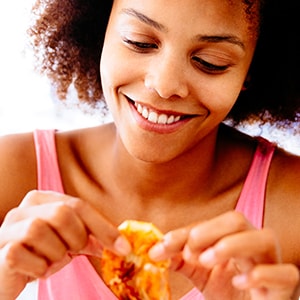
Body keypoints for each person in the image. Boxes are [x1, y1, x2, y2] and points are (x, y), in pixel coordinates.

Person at [0, 0, 299, 299]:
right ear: (101, 29)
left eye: (211, 62)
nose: (164, 84)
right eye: (139, 42)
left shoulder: (292, 208)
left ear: (251, 70)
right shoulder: (12, 173)